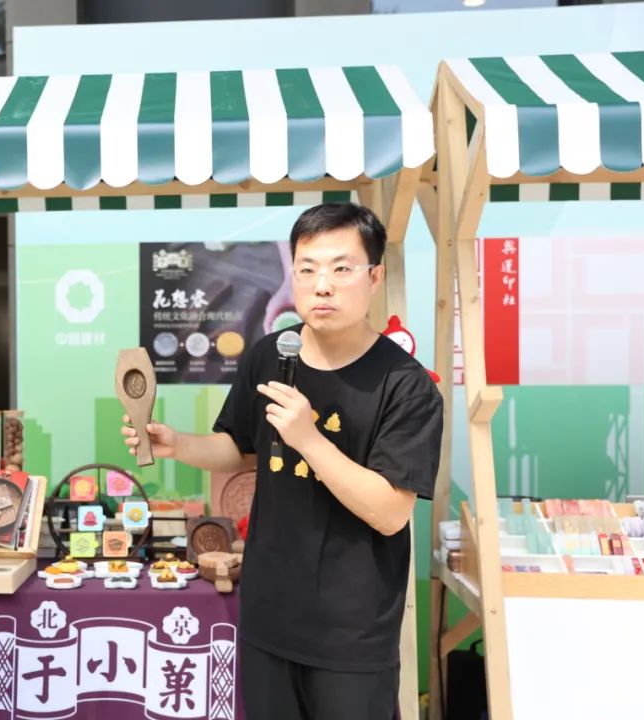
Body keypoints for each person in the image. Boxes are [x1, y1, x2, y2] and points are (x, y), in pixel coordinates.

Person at [123, 203, 443, 719]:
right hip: (268, 619)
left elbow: (389, 512)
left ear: (374, 277)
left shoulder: (405, 384)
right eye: (307, 269)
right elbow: (239, 447)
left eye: (341, 269)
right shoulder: (269, 356)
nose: (322, 286)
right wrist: (177, 443)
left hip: (351, 633)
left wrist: (309, 439)